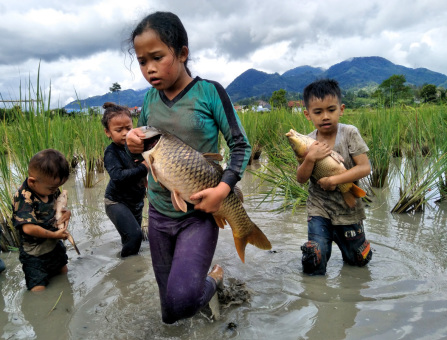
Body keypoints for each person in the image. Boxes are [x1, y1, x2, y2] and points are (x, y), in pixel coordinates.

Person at [125, 11, 252, 324]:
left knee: (182, 301)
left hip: (199, 215)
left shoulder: (210, 92)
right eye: (142, 61)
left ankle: (213, 281)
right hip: (158, 214)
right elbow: (143, 152)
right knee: (170, 314)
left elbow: (240, 146)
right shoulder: (148, 100)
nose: (149, 68)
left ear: (182, 53)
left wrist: (223, 191)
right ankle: (200, 288)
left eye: (157, 57)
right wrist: (131, 143)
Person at [296, 79, 372, 275]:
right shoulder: (307, 143)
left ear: (341, 109)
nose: (325, 117)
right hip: (319, 208)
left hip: (348, 209)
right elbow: (301, 178)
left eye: (331, 109)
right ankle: (316, 293)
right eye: (318, 112)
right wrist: (310, 158)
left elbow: (364, 168)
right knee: (315, 257)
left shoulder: (349, 133)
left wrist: (334, 181)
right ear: (307, 114)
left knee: (358, 262)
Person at [12, 149, 71, 291]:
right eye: (52, 188)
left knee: (64, 274)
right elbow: (28, 228)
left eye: (57, 187)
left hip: (54, 247)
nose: (55, 190)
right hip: (34, 254)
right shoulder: (23, 197)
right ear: (32, 182)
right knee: (38, 290)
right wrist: (54, 235)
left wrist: (66, 212)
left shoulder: (49, 187)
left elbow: (58, 204)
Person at [102, 102, 148, 257]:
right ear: (108, 132)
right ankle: (126, 269)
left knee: (131, 237)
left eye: (128, 128)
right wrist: (143, 168)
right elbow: (118, 176)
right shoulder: (111, 152)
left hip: (136, 202)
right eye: (118, 130)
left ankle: (132, 262)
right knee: (135, 236)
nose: (124, 133)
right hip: (116, 202)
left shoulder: (139, 147)